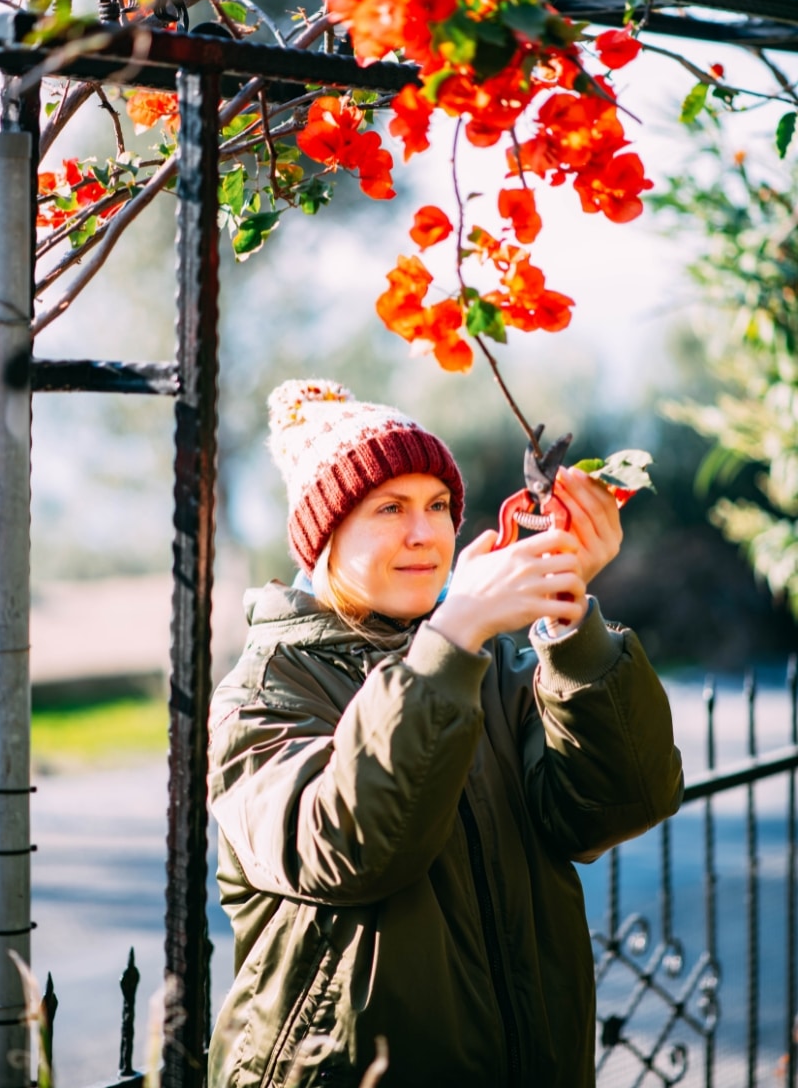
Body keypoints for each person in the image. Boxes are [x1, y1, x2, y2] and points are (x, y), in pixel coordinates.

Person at [207, 378, 684, 1088]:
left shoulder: (488, 662)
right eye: (389, 508)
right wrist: (452, 635)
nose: (427, 533)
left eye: (437, 506)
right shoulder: (264, 690)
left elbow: (620, 803)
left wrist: (568, 623)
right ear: (324, 535)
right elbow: (348, 847)